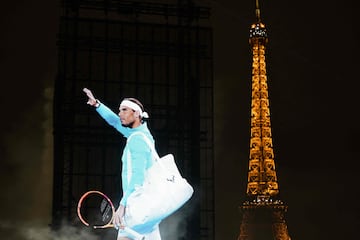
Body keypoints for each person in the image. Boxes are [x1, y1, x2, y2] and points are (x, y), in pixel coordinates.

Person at [83, 88, 161, 240]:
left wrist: (123, 206)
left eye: (124, 110)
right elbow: (114, 121)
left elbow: (137, 177)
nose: (120, 113)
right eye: (120, 110)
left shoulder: (137, 140)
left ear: (137, 113)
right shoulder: (141, 134)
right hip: (146, 205)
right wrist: (97, 104)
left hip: (137, 204)